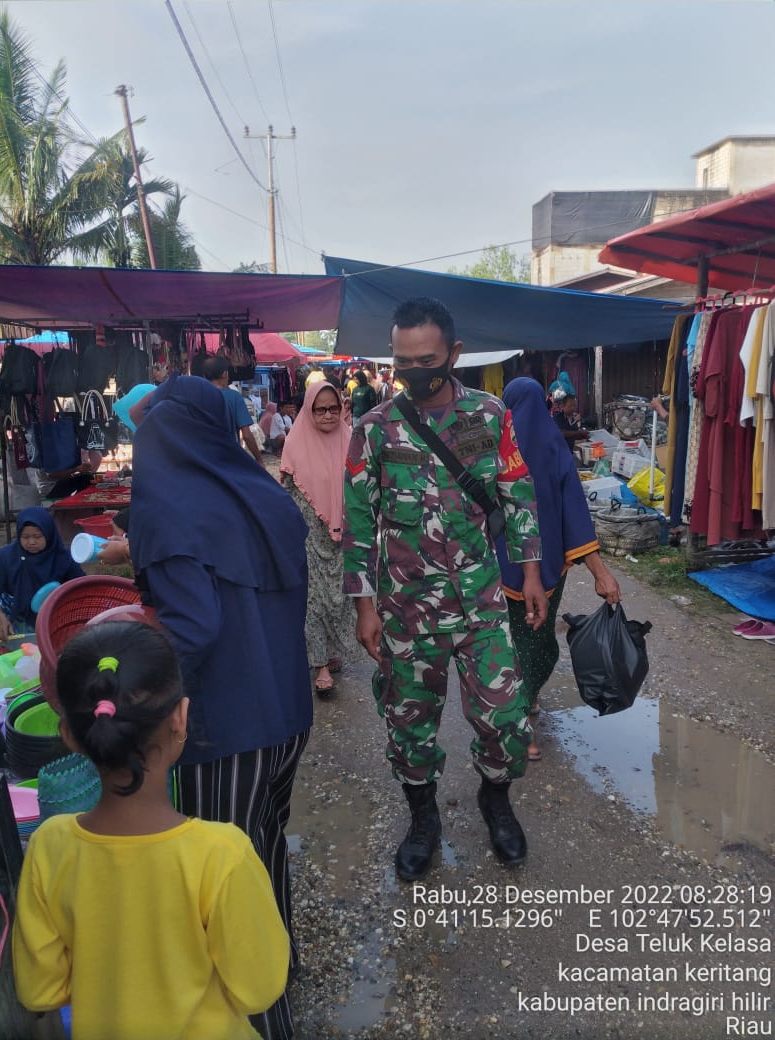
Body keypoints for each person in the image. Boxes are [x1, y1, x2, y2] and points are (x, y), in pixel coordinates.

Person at [128, 375, 312, 1040]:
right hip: (287, 718)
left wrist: (136, 692)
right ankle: (279, 971)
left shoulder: (165, 506)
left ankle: (259, 1020)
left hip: (226, 728)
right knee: (261, 851)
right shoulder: (259, 492)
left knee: (222, 884)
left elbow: (195, 630)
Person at [343, 297, 547, 882]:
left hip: (481, 604)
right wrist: (364, 608)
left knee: (505, 720)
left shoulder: (487, 415)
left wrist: (530, 574)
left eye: (425, 359)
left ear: (454, 354)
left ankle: (496, 800)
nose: (413, 371)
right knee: (409, 727)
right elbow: (359, 526)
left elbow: (517, 492)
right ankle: (423, 818)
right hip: (406, 612)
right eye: (401, 361)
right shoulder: (373, 431)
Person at [12, 621, 289, 1040]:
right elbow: (260, 989)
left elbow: (40, 990)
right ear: (180, 718)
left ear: (69, 733)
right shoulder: (222, 855)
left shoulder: (48, 846)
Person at [496, 378, 621, 762]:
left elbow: (573, 513)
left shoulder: (500, 447)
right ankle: (522, 718)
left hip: (510, 566)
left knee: (524, 644)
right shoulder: (552, 445)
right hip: (536, 567)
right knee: (527, 643)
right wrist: (600, 572)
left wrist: (601, 572)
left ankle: (525, 702)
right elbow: (576, 515)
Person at [280, 380, 364, 695]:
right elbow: (286, 491)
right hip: (308, 537)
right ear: (309, 410)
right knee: (313, 601)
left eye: (334, 408)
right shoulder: (295, 444)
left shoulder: (352, 441)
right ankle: (321, 665)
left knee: (340, 598)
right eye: (320, 409)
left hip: (345, 534)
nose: (328, 415)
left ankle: (331, 651)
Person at [0, 507, 83, 639]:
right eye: (25, 537)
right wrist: (0, 617)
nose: (31, 542)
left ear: (49, 533)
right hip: (15, 621)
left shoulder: (62, 557)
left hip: (55, 619)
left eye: (37, 537)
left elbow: (81, 587)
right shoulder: (6, 556)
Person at [202, 355, 263, 464]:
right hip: (229, 456)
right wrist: (259, 459)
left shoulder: (198, 396)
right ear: (224, 374)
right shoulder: (233, 397)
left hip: (203, 457)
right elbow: (246, 435)